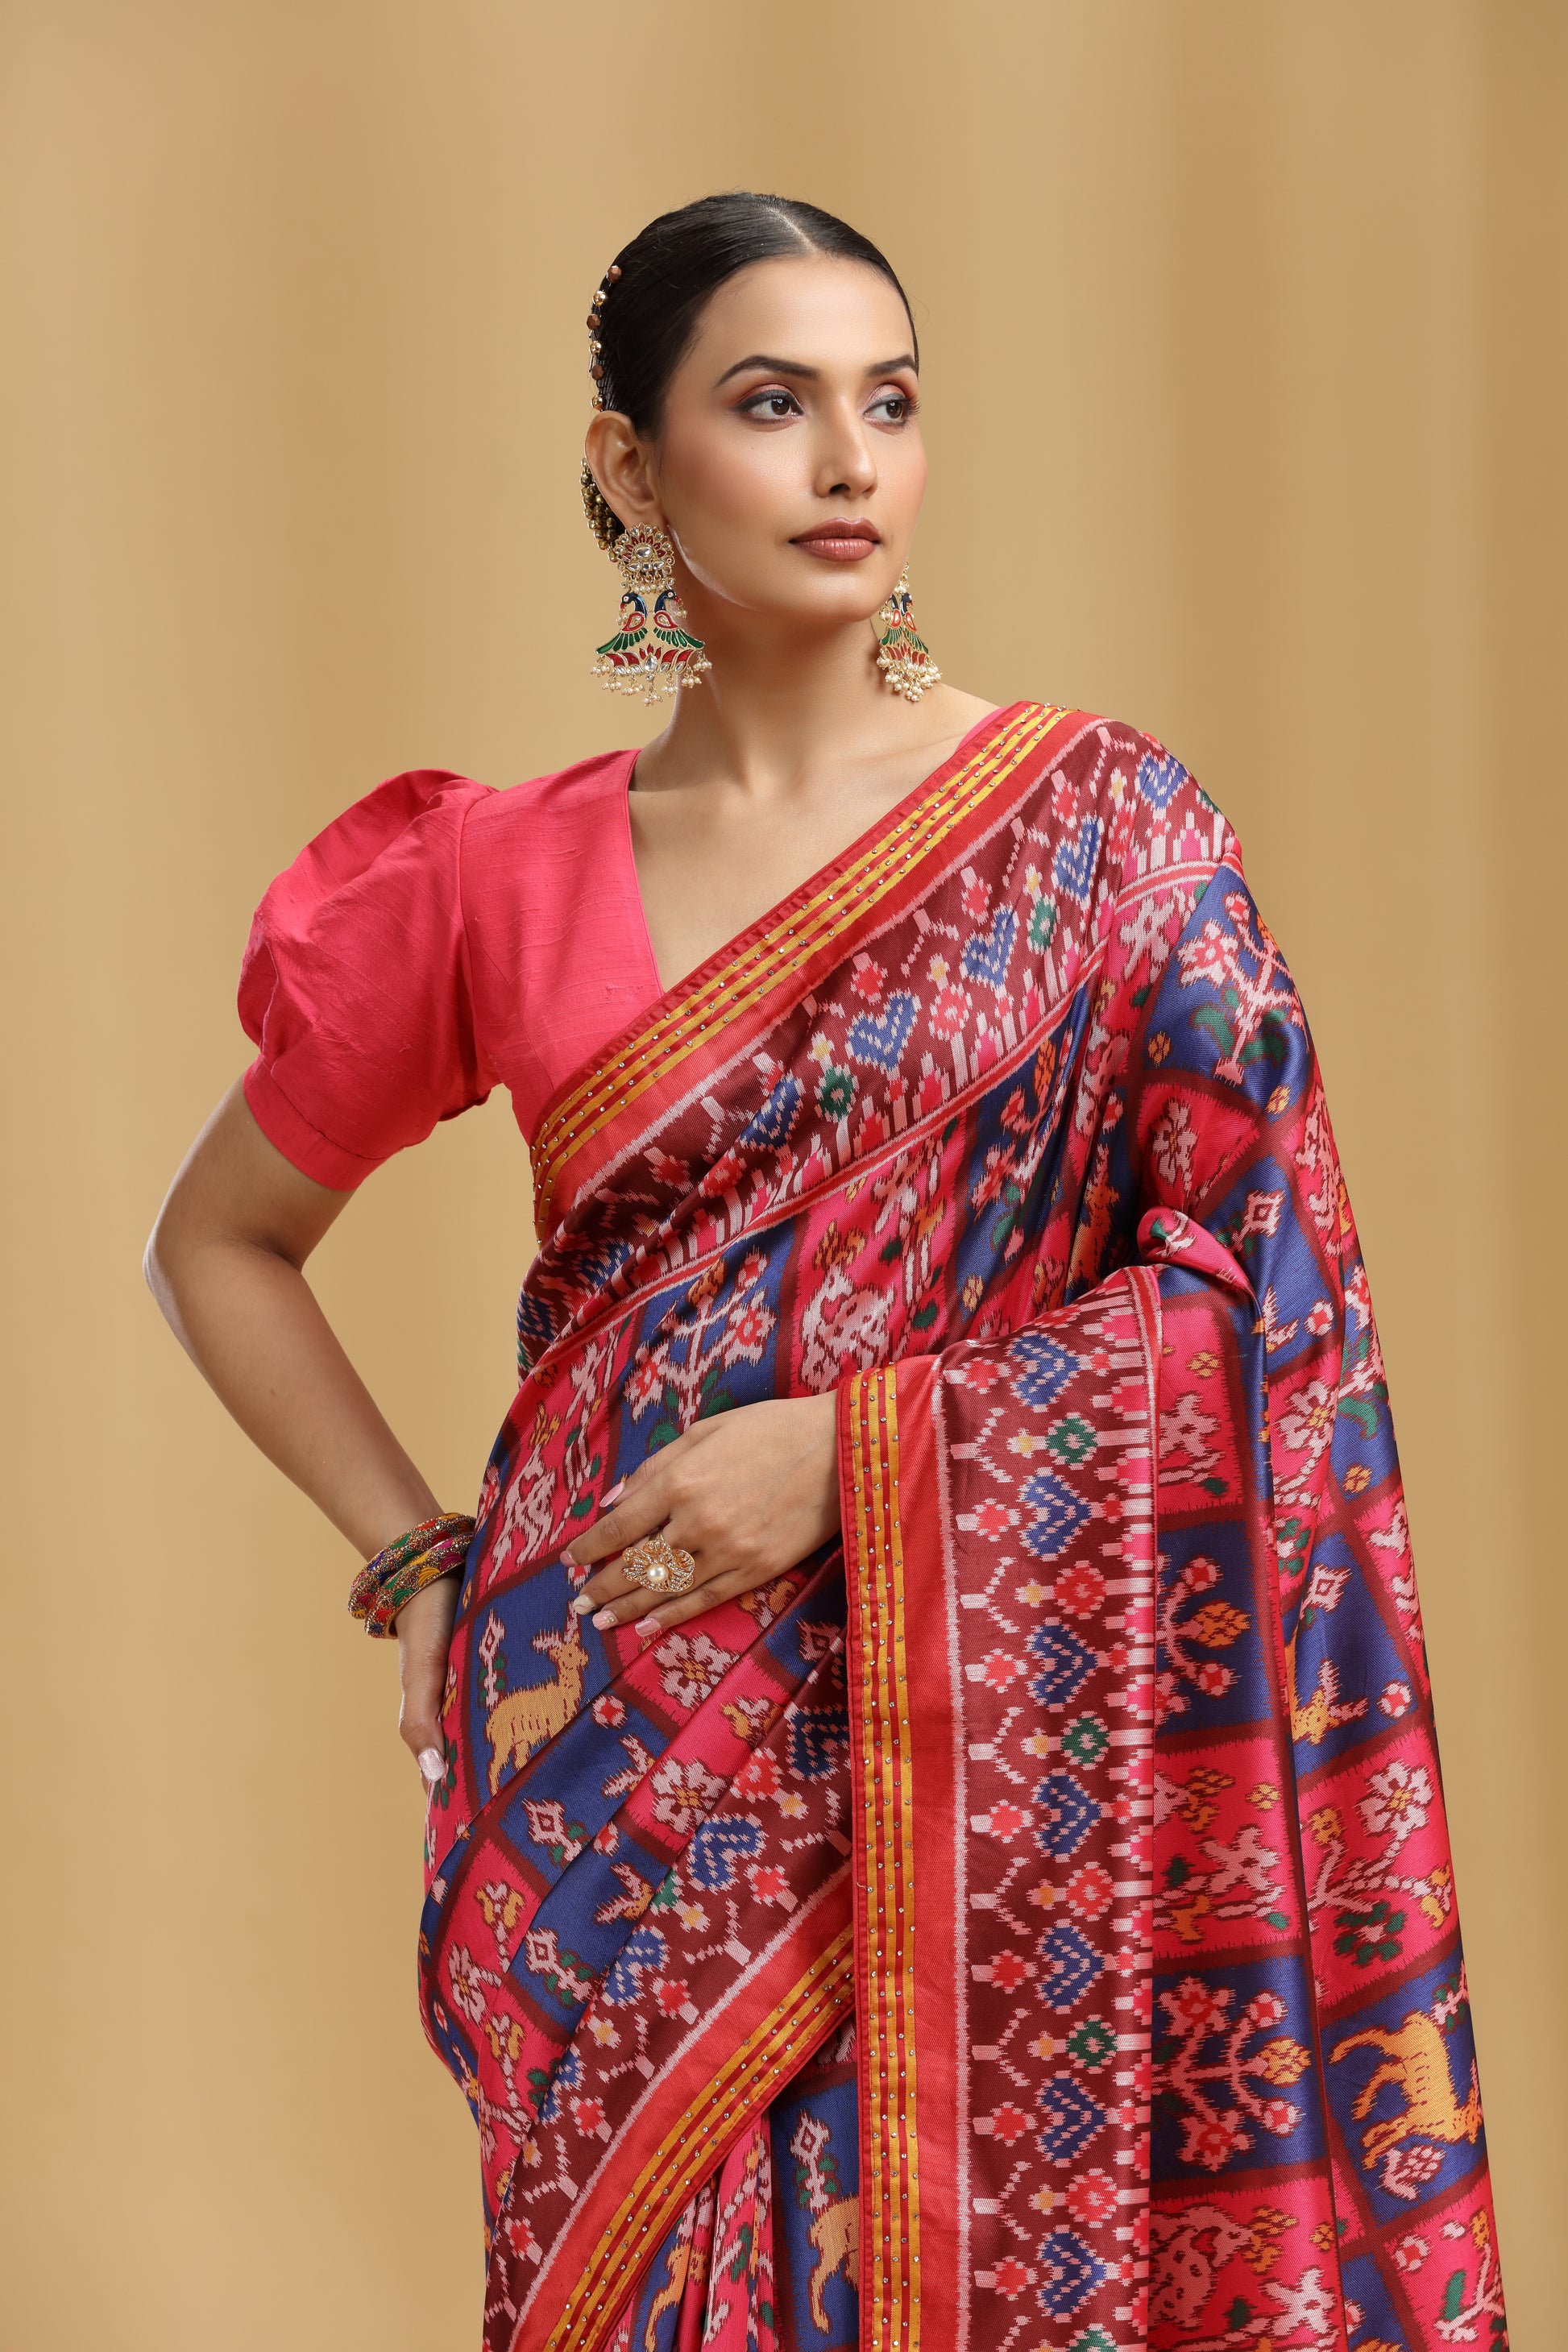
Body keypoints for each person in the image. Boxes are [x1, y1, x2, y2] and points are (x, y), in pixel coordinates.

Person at [145, 193, 1507, 2352]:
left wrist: (854, 1455)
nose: (850, 462)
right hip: (610, 1754)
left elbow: (1270, 1310)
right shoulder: (493, 871)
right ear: (627, 466)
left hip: (1003, 1760)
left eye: (888, 402)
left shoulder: (1110, 837)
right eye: (770, 405)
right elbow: (221, 1243)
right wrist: (416, 1563)